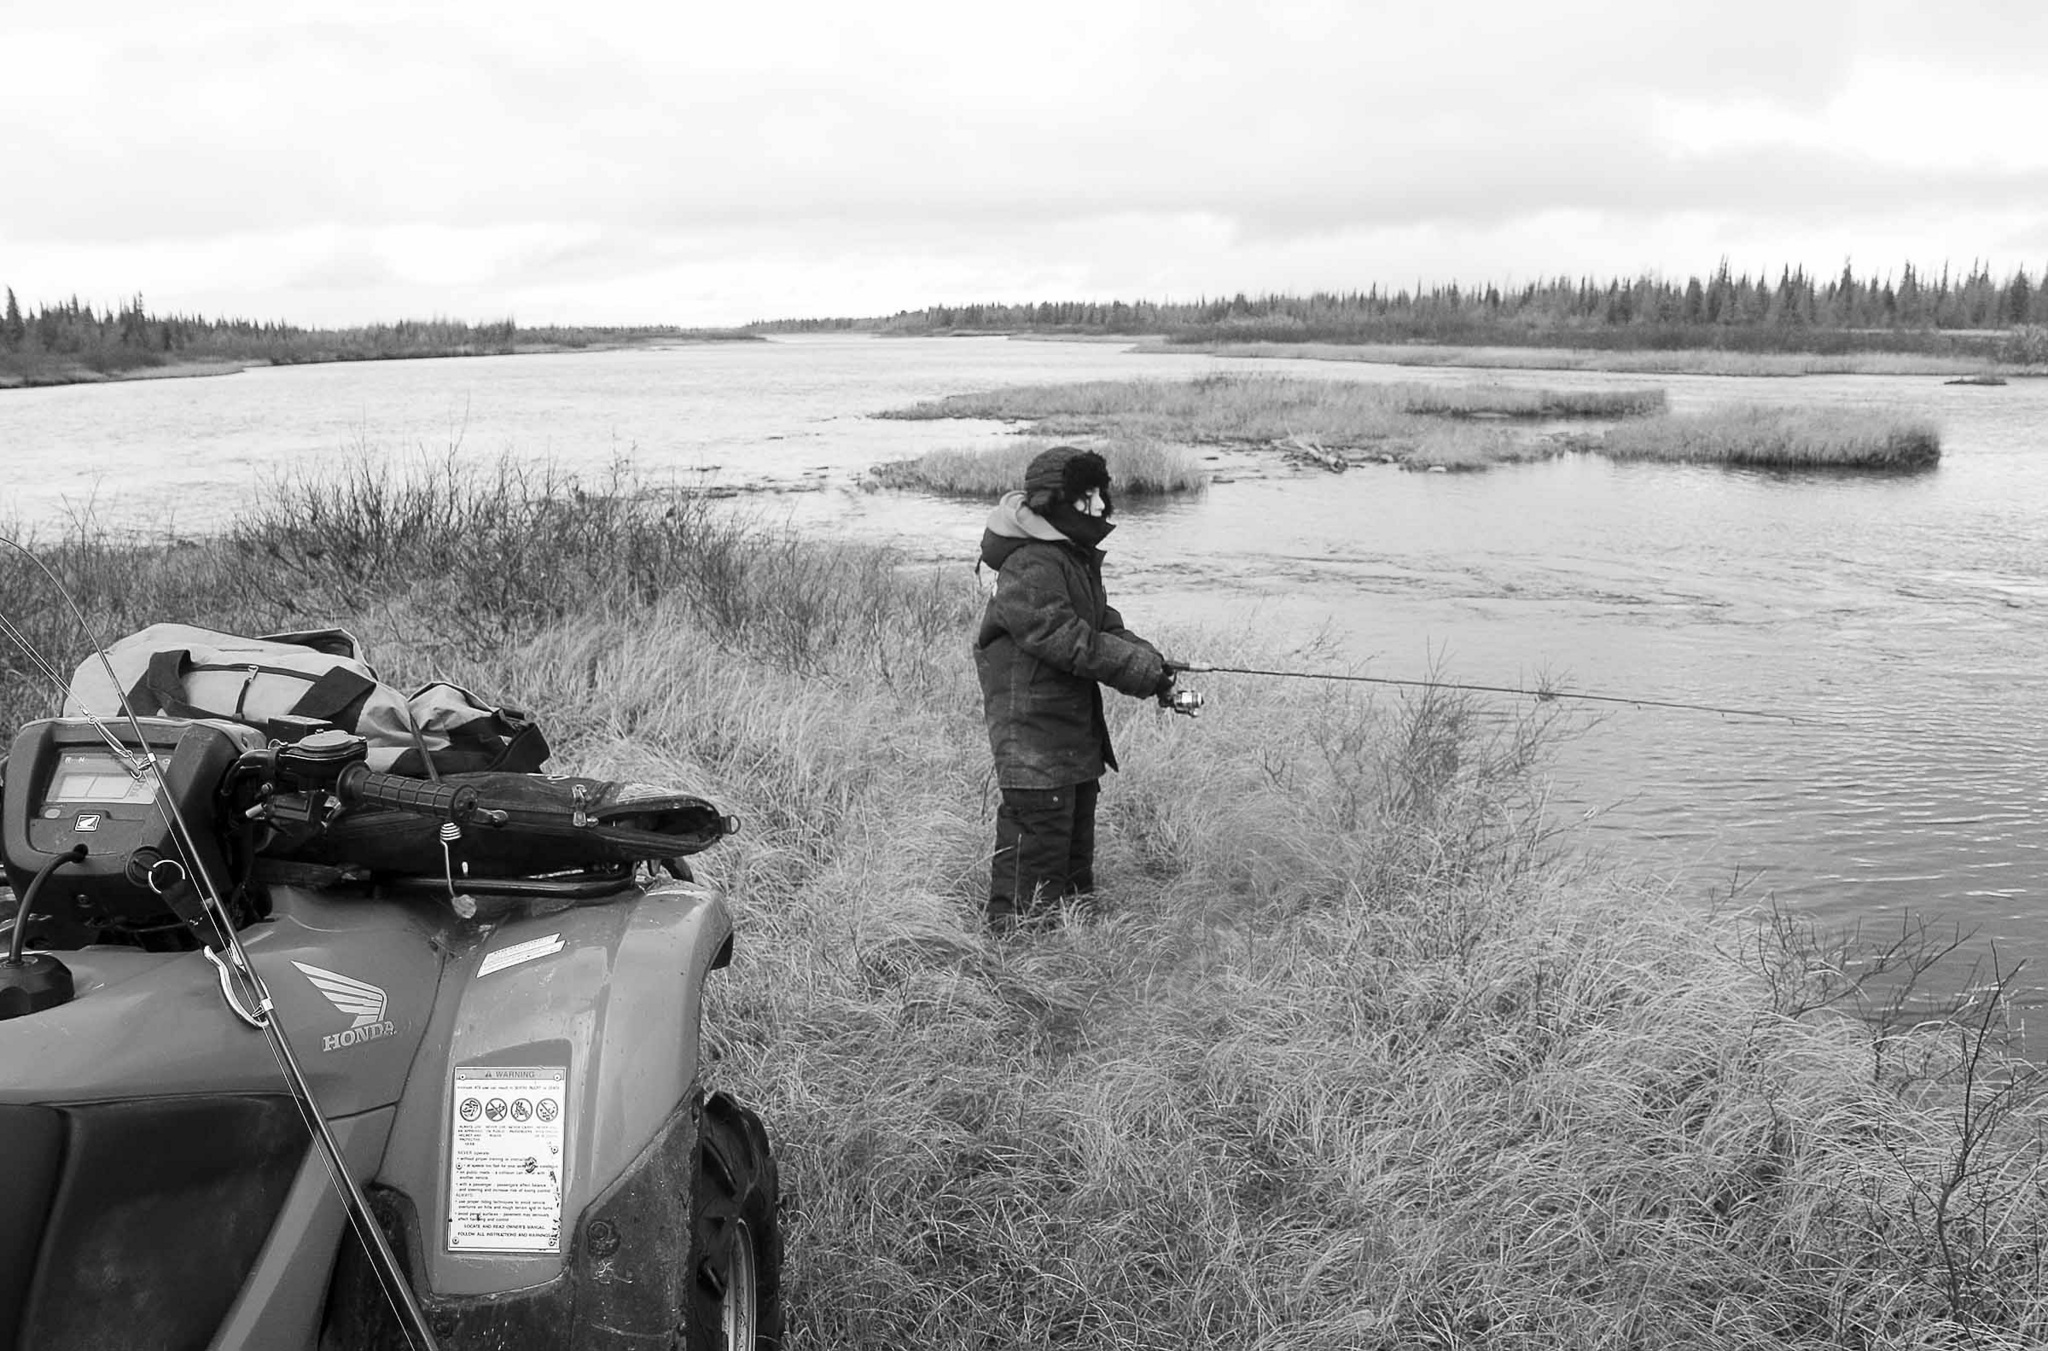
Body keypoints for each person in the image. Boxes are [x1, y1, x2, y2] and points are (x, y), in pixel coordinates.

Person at [973, 445, 1175, 933]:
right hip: (1034, 740)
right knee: (1032, 867)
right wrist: (1139, 670)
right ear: (1056, 500)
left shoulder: (1069, 555)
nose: (1101, 506)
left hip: (1069, 737)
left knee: (1072, 866)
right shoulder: (1031, 562)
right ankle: (1016, 955)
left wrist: (1154, 665)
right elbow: (1067, 639)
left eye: (1101, 494)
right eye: (1089, 497)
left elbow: (1102, 624)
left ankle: (1070, 948)